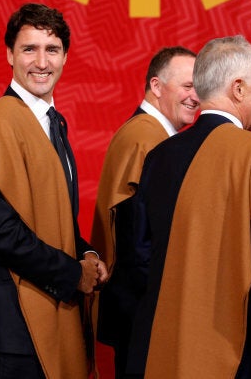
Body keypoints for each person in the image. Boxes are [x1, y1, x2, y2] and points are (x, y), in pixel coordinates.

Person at [125, 35, 251, 379]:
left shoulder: (158, 157)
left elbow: (139, 255)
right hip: (232, 352)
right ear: (239, 89)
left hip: (157, 348)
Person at [0, 3, 109, 379]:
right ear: (9, 55)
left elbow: (50, 220)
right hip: (14, 331)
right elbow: (2, 232)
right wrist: (71, 273)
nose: (41, 62)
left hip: (49, 317)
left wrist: (87, 253)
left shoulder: (54, 123)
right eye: (29, 49)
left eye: (51, 50)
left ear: (65, 56)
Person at [91, 46, 199, 377]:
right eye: (187, 86)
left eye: (199, 88)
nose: (196, 97)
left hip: (134, 310)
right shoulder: (148, 140)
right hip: (144, 311)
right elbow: (138, 244)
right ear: (156, 86)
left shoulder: (144, 133)